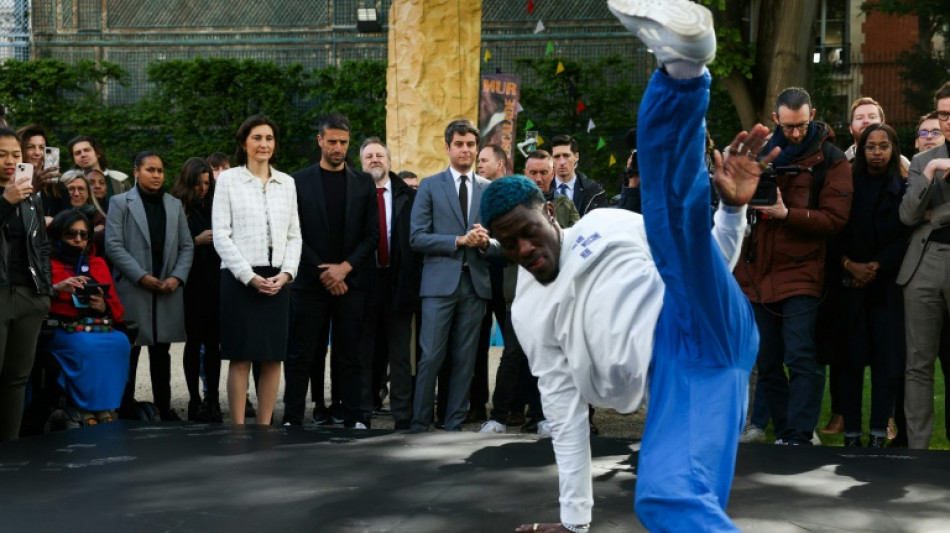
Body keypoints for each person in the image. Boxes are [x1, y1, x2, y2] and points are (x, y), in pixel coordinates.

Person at [499, 1, 769, 529]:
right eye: (510, 247)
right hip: (686, 382)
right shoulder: (528, 313)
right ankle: (682, 70)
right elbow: (565, 416)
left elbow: (697, 261)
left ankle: (683, 67)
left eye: (528, 234)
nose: (525, 250)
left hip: (690, 318)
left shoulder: (608, 224)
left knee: (672, 219)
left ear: (549, 212)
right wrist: (575, 523)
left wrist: (732, 211)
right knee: (667, 501)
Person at [736, 86, 852, 446]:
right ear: (775, 120)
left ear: (812, 115)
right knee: (767, 360)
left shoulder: (831, 160)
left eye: (801, 125)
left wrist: (787, 214)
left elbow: (835, 219)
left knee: (802, 355)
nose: (796, 133)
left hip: (803, 272)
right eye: (788, 127)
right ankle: (786, 432)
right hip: (756, 271)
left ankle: (800, 434)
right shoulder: (759, 154)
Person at [282, 113, 377, 429]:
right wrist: (324, 270)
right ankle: (292, 417)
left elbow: (372, 234)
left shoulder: (363, 182)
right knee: (302, 354)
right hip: (310, 282)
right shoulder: (296, 182)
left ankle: (355, 416)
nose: (338, 148)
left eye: (344, 142)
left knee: (350, 355)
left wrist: (344, 269)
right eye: (333, 141)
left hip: (350, 283)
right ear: (320, 140)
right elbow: (292, 232)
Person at [479, 149, 579, 437]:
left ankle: (542, 417)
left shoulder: (563, 205)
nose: (538, 177)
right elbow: (503, 244)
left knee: (548, 358)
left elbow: (571, 236)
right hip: (518, 296)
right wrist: (488, 245)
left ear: (551, 175)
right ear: (525, 174)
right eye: (532, 172)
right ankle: (497, 417)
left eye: (543, 172)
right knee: (512, 355)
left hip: (557, 294)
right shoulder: (508, 206)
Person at [409, 118, 498, 432]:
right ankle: (419, 422)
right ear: (447, 148)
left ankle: (453, 425)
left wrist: (486, 241)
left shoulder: (490, 190)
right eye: (459, 144)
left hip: (475, 286)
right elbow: (416, 237)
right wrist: (458, 241)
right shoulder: (431, 185)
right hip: (438, 285)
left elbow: (501, 241)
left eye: (471, 144)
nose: (465, 150)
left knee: (465, 361)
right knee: (431, 356)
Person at [213, 114, 301, 425]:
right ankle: (237, 429)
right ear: (243, 143)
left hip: (277, 279)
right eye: (257, 138)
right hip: (240, 278)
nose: (264, 144)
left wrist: (287, 273)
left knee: (273, 357)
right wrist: (248, 277)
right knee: (240, 358)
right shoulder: (228, 180)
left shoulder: (287, 183)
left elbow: (294, 234)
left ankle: (265, 428)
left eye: (269, 138)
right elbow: (221, 234)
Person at [830, 124, 909, 448]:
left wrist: (877, 266)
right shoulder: (847, 186)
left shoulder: (903, 187)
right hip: (850, 285)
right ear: (861, 150)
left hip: (886, 287)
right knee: (850, 361)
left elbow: (906, 235)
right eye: (870, 146)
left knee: (885, 364)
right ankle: (851, 434)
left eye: (883, 146)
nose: (877, 152)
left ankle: (878, 432)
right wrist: (851, 265)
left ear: (892, 149)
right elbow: (834, 231)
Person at [106, 151, 194, 422]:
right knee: (129, 350)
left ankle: (164, 407)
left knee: (162, 351)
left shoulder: (173, 204)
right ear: (136, 171)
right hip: (134, 288)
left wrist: (177, 277)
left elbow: (187, 245)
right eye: (150, 170)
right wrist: (140, 276)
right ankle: (125, 407)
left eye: (160, 170)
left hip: (167, 287)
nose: (156, 175)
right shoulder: (120, 202)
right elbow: (113, 245)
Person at [897, 81, 950, 449]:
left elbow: (931, 215)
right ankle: (917, 452)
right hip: (925, 263)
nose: (948, 122)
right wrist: (930, 171)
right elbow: (908, 216)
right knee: (918, 365)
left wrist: (940, 213)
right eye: (944, 115)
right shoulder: (921, 162)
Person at [358, 137, 421, 430]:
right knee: (363, 352)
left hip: (397, 282)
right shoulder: (354, 193)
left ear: (389, 161)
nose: (374, 160)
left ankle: (403, 417)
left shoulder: (408, 196)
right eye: (369, 156)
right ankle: (361, 413)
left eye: (379, 155)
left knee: (400, 355)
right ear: (361, 162)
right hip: (362, 284)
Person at [46, 209, 131, 425]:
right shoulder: (46, 262)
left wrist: (103, 306)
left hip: (95, 326)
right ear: (58, 236)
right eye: (71, 234)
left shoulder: (97, 264)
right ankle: (84, 408)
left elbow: (116, 308)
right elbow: (35, 298)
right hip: (61, 328)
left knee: (120, 341)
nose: (77, 239)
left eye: (83, 235)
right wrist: (57, 289)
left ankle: (105, 408)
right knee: (84, 345)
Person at [0, 126, 53, 442]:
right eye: (2, 154)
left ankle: (9, 447)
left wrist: (44, 293)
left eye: (15, 155)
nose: (10, 161)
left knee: (17, 379)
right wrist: (6, 201)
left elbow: (41, 246)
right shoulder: (13, 194)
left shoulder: (32, 196)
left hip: (30, 295)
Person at [171, 157, 222, 422]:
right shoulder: (177, 206)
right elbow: (171, 245)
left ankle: (212, 397)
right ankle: (194, 399)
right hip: (190, 282)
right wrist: (196, 240)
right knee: (193, 343)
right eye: (198, 183)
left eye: (206, 183)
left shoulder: (216, 204)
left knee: (214, 344)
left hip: (215, 279)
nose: (203, 188)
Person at [16, 124, 64, 222]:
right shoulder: (10, 183)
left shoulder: (57, 187)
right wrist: (33, 190)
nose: (37, 153)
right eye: (30, 147)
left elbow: (68, 220)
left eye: (42, 147)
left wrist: (53, 222)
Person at [550, 134, 606, 217]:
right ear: (551, 159)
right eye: (557, 156)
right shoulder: (541, 190)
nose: (562, 162)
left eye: (566, 156)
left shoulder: (594, 191)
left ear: (576, 157)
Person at [67, 135, 131, 200]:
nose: (83, 155)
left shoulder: (120, 178)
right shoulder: (69, 183)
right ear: (74, 160)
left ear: (97, 153)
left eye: (87, 150)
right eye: (78, 153)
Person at [61, 171, 107, 253]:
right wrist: (92, 232)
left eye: (81, 189)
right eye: (71, 189)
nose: (76, 193)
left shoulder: (98, 217)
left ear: (88, 194)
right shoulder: (53, 213)